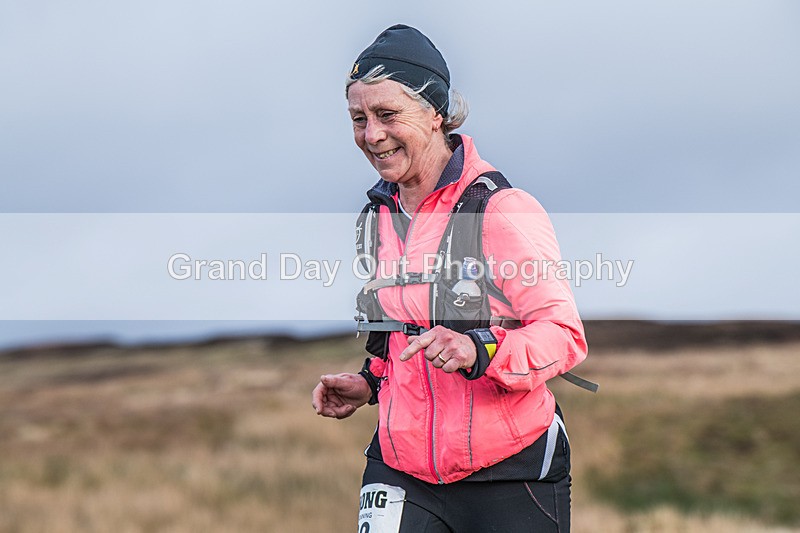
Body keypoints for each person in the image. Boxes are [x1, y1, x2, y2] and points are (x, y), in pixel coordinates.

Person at [312, 24, 588, 532]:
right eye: (359, 118)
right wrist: (370, 383)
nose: (372, 135)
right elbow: (404, 338)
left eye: (388, 115)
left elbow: (564, 337)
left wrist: (479, 350)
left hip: (511, 471)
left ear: (435, 113)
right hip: (400, 469)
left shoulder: (500, 210)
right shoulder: (379, 217)